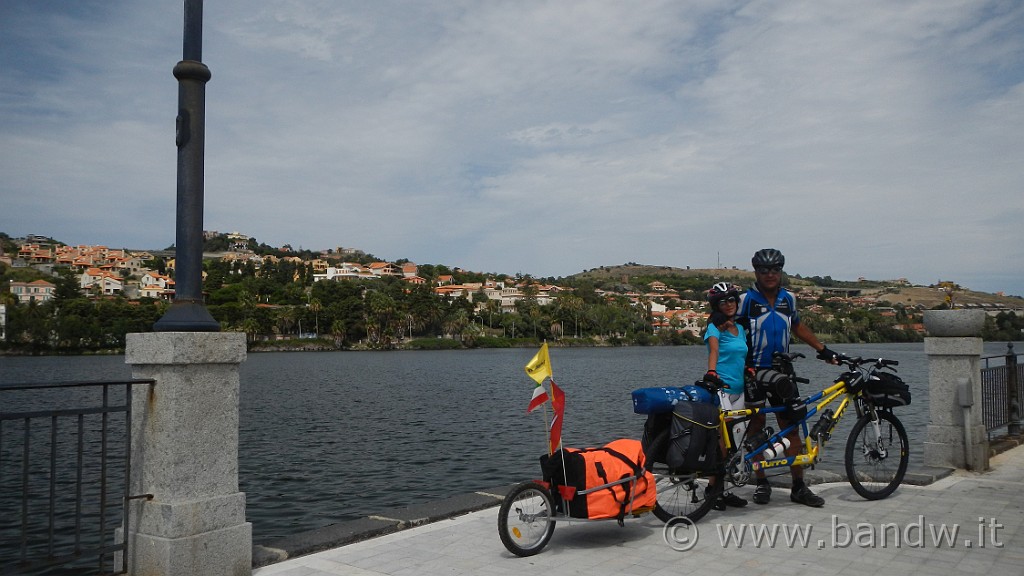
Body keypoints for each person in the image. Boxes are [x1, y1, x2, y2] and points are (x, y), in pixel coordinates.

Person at [735, 248, 840, 508]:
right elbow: (728, 329)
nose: (770, 275)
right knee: (756, 427)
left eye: (775, 270)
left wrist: (822, 349)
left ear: (781, 271)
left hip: (782, 372)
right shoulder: (745, 300)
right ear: (756, 272)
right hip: (753, 372)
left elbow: (797, 325)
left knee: (791, 427)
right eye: (764, 270)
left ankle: (798, 486)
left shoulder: (789, 299)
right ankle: (761, 482)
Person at [703, 282, 749, 510]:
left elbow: (742, 356)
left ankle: (725, 490)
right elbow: (714, 351)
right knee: (721, 445)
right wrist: (711, 373)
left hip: (739, 391)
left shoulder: (740, 329)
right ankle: (713, 491)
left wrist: (750, 370)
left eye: (731, 300)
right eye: (723, 301)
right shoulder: (714, 327)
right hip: (721, 390)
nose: (729, 304)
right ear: (716, 305)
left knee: (735, 445)